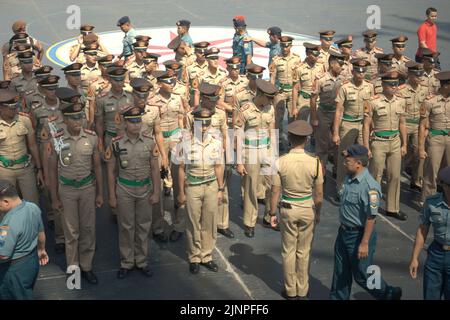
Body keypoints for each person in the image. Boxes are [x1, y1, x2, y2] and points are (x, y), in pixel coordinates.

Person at [329, 144, 402, 300]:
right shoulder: (350, 177)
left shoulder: (370, 187)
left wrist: (364, 243)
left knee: (363, 275)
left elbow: (371, 217)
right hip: (343, 233)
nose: (344, 163)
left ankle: (388, 294)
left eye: (347, 161)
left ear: (358, 163)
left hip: (359, 235)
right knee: (340, 272)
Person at [48, 100, 103, 285]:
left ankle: (86, 267)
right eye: (72, 118)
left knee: (88, 229)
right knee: (71, 232)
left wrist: (100, 193)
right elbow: (52, 170)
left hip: (87, 189)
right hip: (67, 190)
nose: (77, 121)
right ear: (65, 119)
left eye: (79, 117)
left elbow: (97, 167)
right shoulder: (57, 138)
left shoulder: (91, 137)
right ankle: (73, 270)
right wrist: (54, 198)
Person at [105, 105, 160, 279]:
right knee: (126, 227)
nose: (136, 125)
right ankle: (127, 262)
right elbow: (111, 171)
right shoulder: (116, 143)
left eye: (139, 121)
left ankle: (142, 261)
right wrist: (112, 196)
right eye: (132, 122)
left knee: (143, 226)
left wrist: (156, 191)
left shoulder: (150, 142)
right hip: (124, 190)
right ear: (125, 123)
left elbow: (154, 169)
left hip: (144, 189)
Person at [270, 120, 323, 300]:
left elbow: (275, 190)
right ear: (306, 140)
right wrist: (319, 213)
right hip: (307, 208)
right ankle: (303, 289)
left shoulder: (280, 162)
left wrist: (271, 213)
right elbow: (319, 194)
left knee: (289, 250)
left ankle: (290, 290)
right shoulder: (315, 163)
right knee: (304, 251)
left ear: (289, 139)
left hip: (287, 209)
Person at [177, 108, 224, 274]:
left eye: (207, 123)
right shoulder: (185, 143)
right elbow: (182, 169)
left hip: (211, 185)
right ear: (194, 123)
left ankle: (207, 255)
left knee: (210, 221)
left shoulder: (216, 142)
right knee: (193, 222)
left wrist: (220, 189)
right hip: (193, 186)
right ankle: (195, 256)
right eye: (200, 123)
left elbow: (218, 166)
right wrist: (181, 192)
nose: (204, 127)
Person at [234, 79, 277, 237]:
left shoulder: (270, 108)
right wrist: (239, 161)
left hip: (266, 150)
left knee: (272, 184)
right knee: (251, 187)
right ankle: (250, 222)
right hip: (250, 151)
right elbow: (238, 136)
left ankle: (268, 216)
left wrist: (274, 153)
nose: (271, 101)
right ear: (260, 95)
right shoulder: (245, 109)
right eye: (269, 98)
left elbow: (272, 130)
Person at [363, 70, 408, 221]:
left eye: (396, 84)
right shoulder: (373, 101)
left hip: (395, 141)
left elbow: (402, 123)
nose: (394, 87)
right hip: (378, 142)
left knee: (395, 176)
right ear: (383, 85)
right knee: (375, 176)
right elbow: (366, 125)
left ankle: (392, 208)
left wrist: (404, 144)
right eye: (391, 84)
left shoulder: (401, 101)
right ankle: (372, 207)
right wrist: (366, 147)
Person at [0, 180, 48, 300]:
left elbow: (3, 255)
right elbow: (41, 233)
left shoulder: (8, 223)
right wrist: (41, 250)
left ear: (6, 202)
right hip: (32, 262)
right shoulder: (33, 208)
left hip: (14, 270)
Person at [333, 59, 374, 192]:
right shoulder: (345, 87)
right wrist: (336, 132)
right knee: (345, 156)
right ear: (352, 71)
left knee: (363, 156)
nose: (361, 74)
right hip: (348, 123)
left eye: (363, 71)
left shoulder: (369, 86)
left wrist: (372, 126)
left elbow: (371, 109)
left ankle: (360, 186)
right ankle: (340, 187)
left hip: (363, 124)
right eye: (358, 71)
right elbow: (339, 110)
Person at [409, 166, 450, 300]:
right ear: (443, 185)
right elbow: (422, 230)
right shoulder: (432, 203)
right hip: (436, 254)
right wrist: (414, 258)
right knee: (430, 295)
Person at [0, 90, 43, 206]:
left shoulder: (24, 120)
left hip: (25, 168)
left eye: (16, 107)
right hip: (4, 170)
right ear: (1, 108)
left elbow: (33, 146)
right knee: (7, 206)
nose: (14, 110)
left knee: (33, 204)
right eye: (11, 108)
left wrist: (39, 169)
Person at [310, 51, 346, 177]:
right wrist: (314, 118)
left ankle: (337, 169)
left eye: (343, 64)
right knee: (322, 145)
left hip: (338, 114)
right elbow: (313, 99)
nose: (341, 67)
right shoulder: (320, 79)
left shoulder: (344, 79)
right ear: (332, 63)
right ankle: (321, 171)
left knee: (337, 144)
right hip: (324, 113)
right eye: (339, 64)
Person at [419, 71, 450, 203]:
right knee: (432, 173)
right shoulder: (430, 101)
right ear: (445, 86)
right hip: (435, 139)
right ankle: (427, 202)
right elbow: (422, 125)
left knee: (448, 173)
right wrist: (421, 148)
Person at [399, 61, 428, 192]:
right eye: (417, 74)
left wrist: (427, 127)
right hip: (404, 123)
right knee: (401, 153)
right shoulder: (401, 90)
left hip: (419, 125)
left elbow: (428, 110)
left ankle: (416, 180)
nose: (420, 77)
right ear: (410, 75)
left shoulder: (425, 90)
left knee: (419, 153)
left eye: (421, 74)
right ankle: (396, 178)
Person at [270, 36, 301, 150]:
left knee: (293, 117)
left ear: (291, 46)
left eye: (287, 45)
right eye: (282, 45)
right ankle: (277, 141)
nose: (284, 48)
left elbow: (300, 77)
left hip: (293, 91)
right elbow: (272, 78)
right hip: (280, 92)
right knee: (278, 117)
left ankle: (291, 141)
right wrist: (271, 94)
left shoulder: (297, 59)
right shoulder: (276, 60)